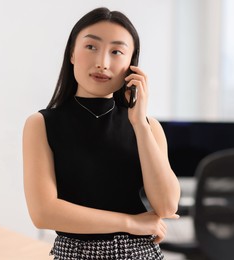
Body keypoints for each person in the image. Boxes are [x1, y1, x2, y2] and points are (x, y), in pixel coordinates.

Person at [23, 7, 181, 260]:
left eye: (116, 51)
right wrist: (130, 223)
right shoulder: (41, 124)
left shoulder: (149, 127)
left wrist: (139, 123)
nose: (102, 63)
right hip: (75, 254)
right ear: (72, 53)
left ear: (131, 65)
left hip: (141, 254)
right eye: (91, 47)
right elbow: (43, 213)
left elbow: (167, 205)